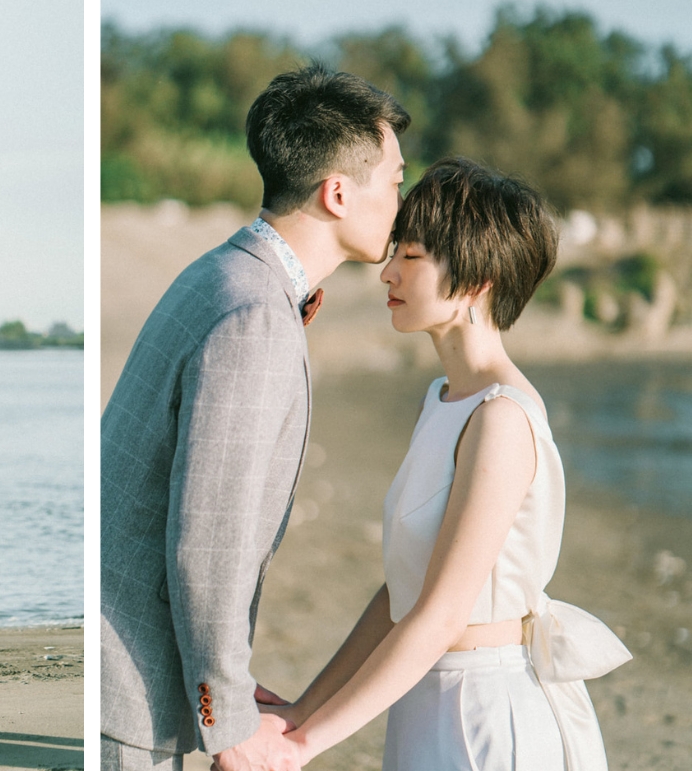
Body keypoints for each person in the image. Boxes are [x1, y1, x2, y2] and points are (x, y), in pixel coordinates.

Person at [261, 158, 632, 770]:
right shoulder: (443, 400)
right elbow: (403, 593)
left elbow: (439, 616)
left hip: (484, 712)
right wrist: (301, 711)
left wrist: (302, 747)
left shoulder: (501, 419)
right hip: (423, 700)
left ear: (476, 279)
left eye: (411, 257)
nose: (387, 273)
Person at [101, 64, 409, 771]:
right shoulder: (255, 317)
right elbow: (206, 543)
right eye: (394, 180)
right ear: (338, 193)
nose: (402, 200)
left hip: (131, 672)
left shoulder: (220, 272)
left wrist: (230, 686)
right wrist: (227, 719)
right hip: (133, 698)